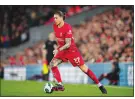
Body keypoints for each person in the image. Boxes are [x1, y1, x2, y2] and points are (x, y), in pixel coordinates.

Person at [49, 11, 107, 94]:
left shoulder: (67, 27)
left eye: (56, 18)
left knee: (84, 68)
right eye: (54, 18)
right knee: (52, 64)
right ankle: (60, 85)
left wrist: (58, 50)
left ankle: (100, 85)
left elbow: (68, 44)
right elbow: (59, 38)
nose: (54, 20)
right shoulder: (54, 26)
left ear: (62, 18)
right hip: (62, 50)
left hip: (71, 51)